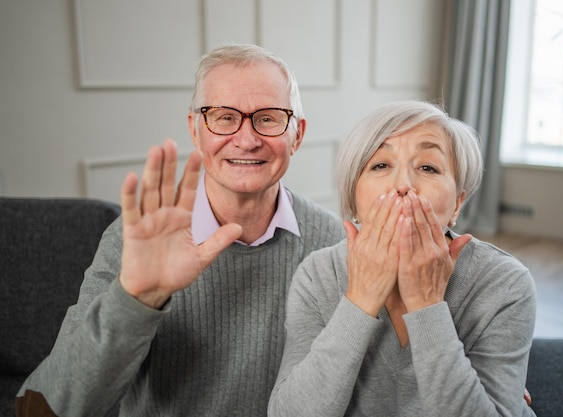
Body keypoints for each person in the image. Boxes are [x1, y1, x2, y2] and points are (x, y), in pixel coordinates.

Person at [15, 44, 345, 417]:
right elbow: (44, 408)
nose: (247, 138)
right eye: (223, 117)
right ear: (195, 129)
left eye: (268, 118)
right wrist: (138, 299)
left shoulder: (332, 243)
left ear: (296, 134)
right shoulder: (134, 239)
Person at [268, 100, 537, 417]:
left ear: (457, 205)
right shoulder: (318, 275)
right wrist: (360, 298)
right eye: (380, 165)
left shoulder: (505, 283)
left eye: (428, 167)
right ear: (353, 199)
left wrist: (427, 306)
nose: (403, 186)